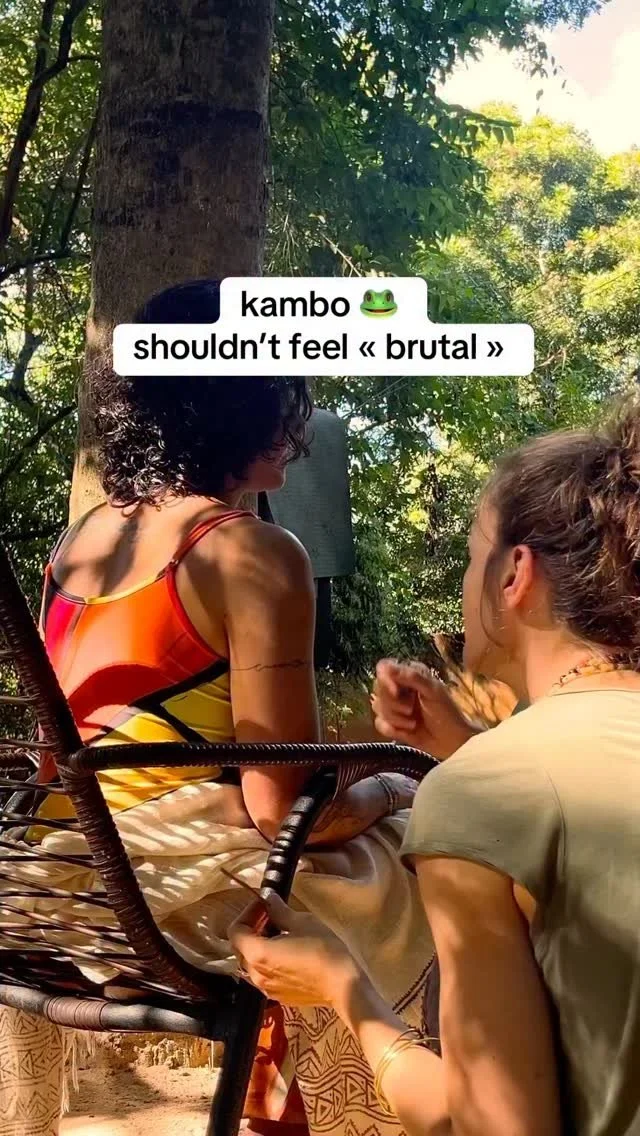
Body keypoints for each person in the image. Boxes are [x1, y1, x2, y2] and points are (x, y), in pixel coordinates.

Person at [0, 280, 425, 1136]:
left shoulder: (80, 541)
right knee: (423, 851)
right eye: (286, 392)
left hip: (55, 876)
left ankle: (281, 1101)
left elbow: (64, 750)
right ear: (238, 398)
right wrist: (397, 785)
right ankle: (382, 1109)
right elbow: (284, 808)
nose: (297, 425)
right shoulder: (251, 554)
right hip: (166, 896)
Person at [230, 396, 640, 1136]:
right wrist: (465, 747)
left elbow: (494, 1127)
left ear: (515, 576)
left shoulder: (478, 798)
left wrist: (345, 988)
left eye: (472, 555)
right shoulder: (499, 776)